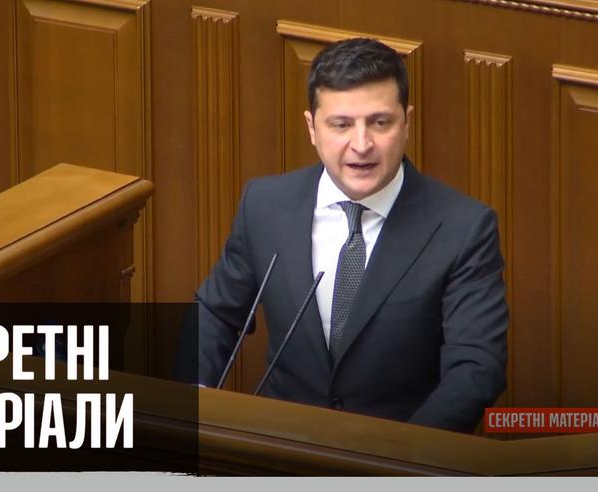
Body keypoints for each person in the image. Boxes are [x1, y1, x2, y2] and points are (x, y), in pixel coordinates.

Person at [194, 38, 507, 433]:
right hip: (278, 443)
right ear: (312, 128)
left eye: (380, 122)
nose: (362, 145)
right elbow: (215, 312)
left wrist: (402, 454)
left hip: (397, 453)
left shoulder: (465, 228)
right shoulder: (265, 204)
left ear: (407, 123)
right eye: (341, 125)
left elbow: (476, 368)